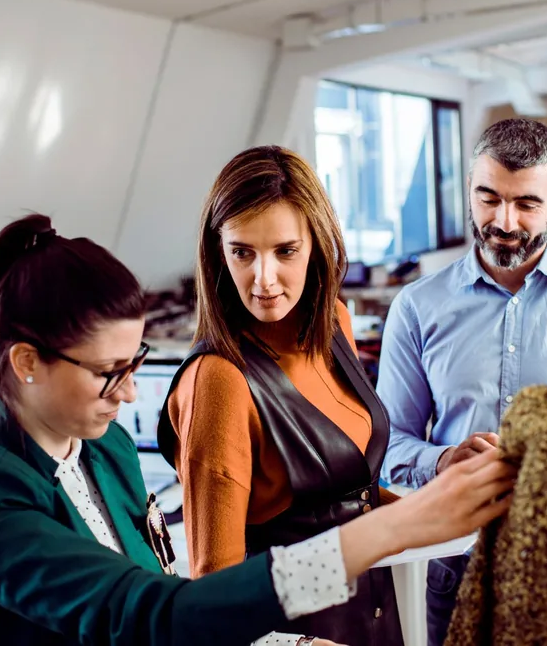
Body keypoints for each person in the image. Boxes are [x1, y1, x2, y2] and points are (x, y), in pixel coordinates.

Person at [0, 213, 517, 646]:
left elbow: (171, 597)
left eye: (134, 366)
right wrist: (394, 526)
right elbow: (150, 617)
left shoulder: (106, 449)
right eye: (108, 373)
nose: (128, 394)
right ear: (27, 362)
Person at [376, 118, 547, 646]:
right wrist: (441, 460)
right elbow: (387, 442)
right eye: (488, 198)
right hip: (459, 565)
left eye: (527, 204)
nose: (504, 222)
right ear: (469, 190)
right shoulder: (417, 307)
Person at [156, 146, 405, 646]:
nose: (263, 279)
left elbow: (347, 495)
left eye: (285, 251)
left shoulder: (334, 323)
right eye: (242, 252)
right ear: (217, 252)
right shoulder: (218, 381)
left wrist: (453, 507)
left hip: (376, 619)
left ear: (317, 244)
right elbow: (215, 595)